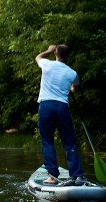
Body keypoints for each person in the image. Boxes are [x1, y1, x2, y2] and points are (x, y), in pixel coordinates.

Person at [36, 44, 85, 186]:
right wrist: (70, 86)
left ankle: (52, 176)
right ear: (68, 56)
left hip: (46, 106)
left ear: (56, 53)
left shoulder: (47, 64)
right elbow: (74, 88)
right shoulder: (72, 73)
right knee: (69, 142)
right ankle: (77, 175)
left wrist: (48, 50)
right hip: (62, 108)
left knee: (47, 141)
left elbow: (38, 57)